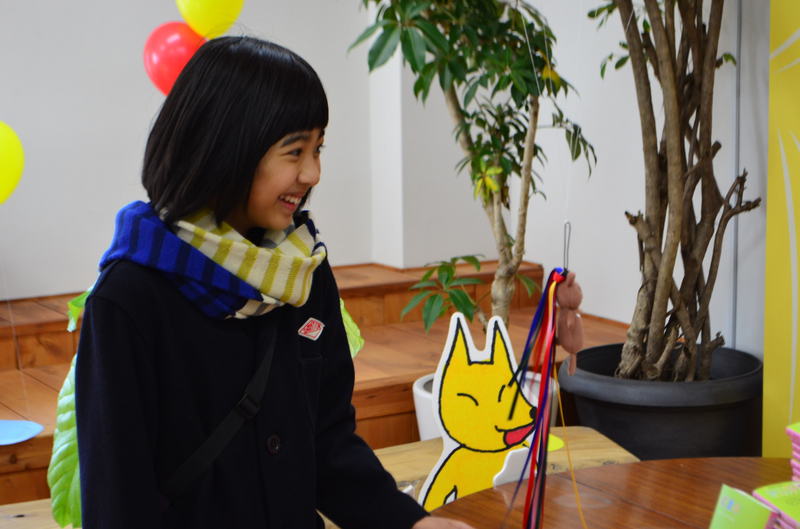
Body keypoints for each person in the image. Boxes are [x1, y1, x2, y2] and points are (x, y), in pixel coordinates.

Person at [75, 36, 475, 529]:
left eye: (318, 148)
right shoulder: (131, 298)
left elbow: (328, 440)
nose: (313, 173)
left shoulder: (302, 272)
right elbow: (118, 502)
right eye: (295, 151)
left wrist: (410, 523)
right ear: (229, 147)